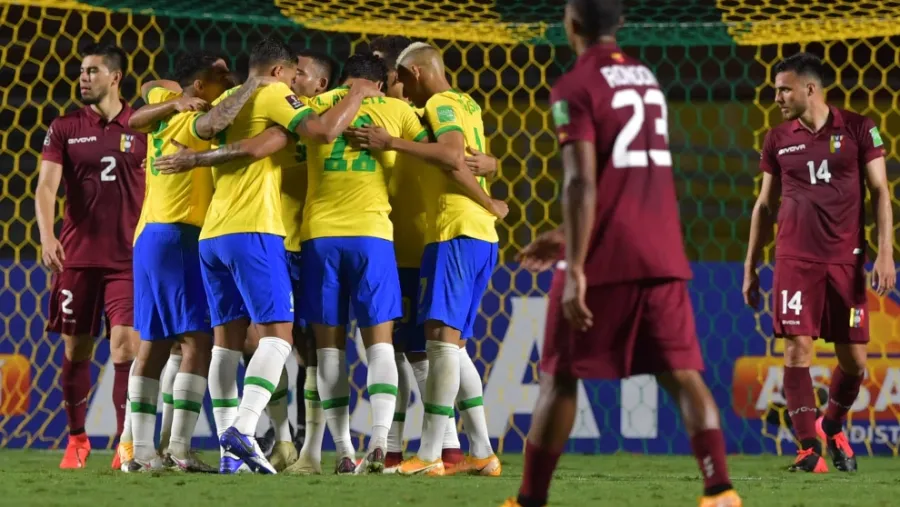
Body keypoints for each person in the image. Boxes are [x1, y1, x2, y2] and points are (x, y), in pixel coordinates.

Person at [502, 1, 741, 506]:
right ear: (621, 24)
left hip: (605, 259)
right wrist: (566, 233)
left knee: (559, 378)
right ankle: (720, 492)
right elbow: (627, 178)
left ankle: (529, 501)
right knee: (683, 376)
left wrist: (576, 264)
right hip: (661, 252)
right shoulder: (647, 79)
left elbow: (581, 181)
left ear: (570, 25)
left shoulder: (574, 86)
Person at [156, 37, 379, 475]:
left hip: (214, 234)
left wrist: (199, 160)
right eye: (292, 74)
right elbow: (322, 132)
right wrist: (356, 93)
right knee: (279, 337)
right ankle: (242, 429)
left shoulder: (229, 101)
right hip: (254, 229)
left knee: (226, 345)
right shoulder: (276, 94)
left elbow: (234, 139)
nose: (295, 81)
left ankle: (229, 454)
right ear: (279, 72)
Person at [347, 42, 507, 477]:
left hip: (449, 232)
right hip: (468, 235)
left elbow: (453, 157)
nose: (391, 87)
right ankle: (478, 450)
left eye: (395, 77)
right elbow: (465, 156)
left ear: (412, 73)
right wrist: (490, 174)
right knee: (448, 346)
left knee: (435, 346)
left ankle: (433, 452)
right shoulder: (463, 104)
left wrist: (389, 141)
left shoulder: (434, 107)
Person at [123, 51, 275, 472]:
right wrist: (254, 83)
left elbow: (149, 90)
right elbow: (213, 123)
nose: (228, 82)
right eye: (220, 78)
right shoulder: (193, 119)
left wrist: (173, 98)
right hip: (180, 234)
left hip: (149, 235)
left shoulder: (165, 108)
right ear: (200, 86)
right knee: (197, 342)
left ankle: (141, 453)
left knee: (154, 343)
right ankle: (178, 449)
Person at [743, 52, 894, 473]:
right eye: (776, 90)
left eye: (784, 90)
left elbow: (880, 191)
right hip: (794, 259)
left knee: (855, 362)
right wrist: (750, 266)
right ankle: (809, 449)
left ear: (810, 89)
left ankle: (832, 425)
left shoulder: (860, 128)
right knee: (797, 350)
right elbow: (764, 205)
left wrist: (885, 252)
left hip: (846, 261)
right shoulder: (777, 138)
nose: (777, 97)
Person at [36, 42, 147, 471]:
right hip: (77, 257)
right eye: (82, 71)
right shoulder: (64, 127)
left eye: (93, 71)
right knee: (77, 349)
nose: (83, 78)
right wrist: (47, 235)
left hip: (128, 260)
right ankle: (77, 438)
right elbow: (47, 187)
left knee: (125, 347)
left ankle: (125, 445)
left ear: (115, 77)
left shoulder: (141, 126)